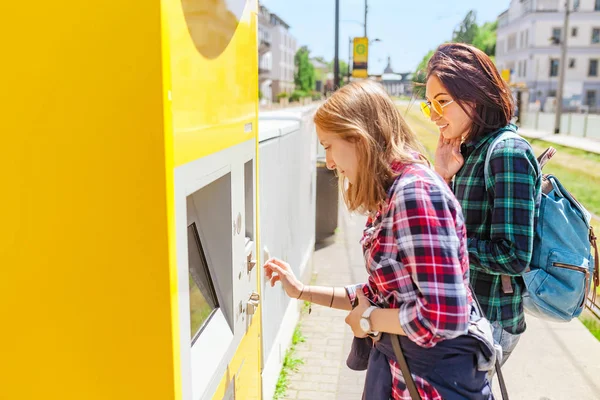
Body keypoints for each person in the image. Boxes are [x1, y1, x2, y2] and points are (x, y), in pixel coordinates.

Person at [263, 80, 493, 399]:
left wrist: (369, 320)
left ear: (358, 139)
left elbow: (444, 315)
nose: (329, 162)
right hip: (413, 380)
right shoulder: (394, 193)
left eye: (328, 145)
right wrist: (300, 291)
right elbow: (382, 295)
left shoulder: (414, 195)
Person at [426, 43, 541, 365]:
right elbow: (455, 222)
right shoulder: (470, 151)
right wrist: (444, 176)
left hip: (489, 319)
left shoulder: (507, 153)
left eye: (442, 102)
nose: (434, 115)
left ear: (474, 95)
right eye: (429, 105)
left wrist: (448, 244)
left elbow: (514, 255)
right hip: (467, 314)